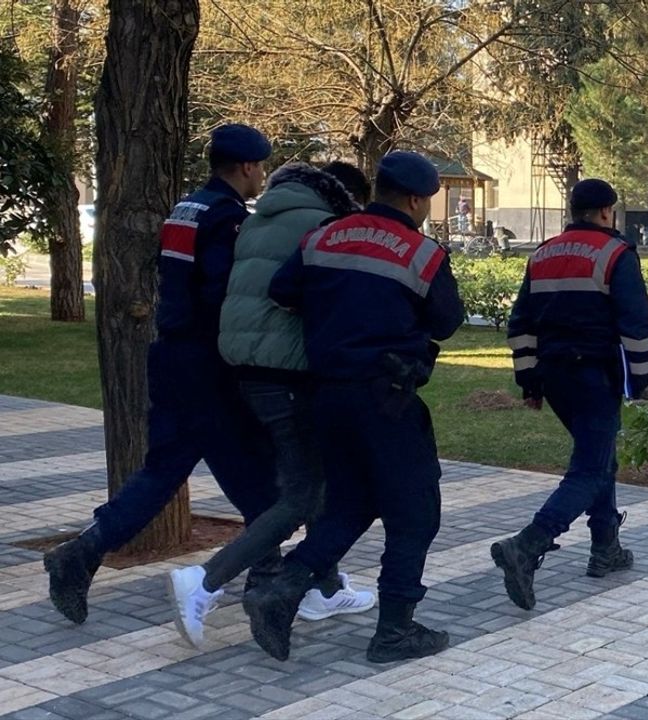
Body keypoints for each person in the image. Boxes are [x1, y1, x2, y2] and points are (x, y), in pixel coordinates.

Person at [43, 124, 281, 625]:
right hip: (207, 365)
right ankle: (270, 584)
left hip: (171, 356)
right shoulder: (227, 218)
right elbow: (222, 297)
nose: (261, 176)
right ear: (245, 167)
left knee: (164, 473)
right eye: (261, 167)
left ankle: (82, 552)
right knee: (257, 479)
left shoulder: (186, 208)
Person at [243, 150, 465, 664]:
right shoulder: (421, 253)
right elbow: (447, 320)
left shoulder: (324, 236)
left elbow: (282, 291)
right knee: (415, 515)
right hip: (385, 398)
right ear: (415, 199)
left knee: (351, 504)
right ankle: (394, 632)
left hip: (327, 397)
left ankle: (281, 592)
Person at [165, 161, 376, 650]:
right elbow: (314, 298)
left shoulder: (260, 216)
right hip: (288, 372)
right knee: (302, 495)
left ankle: (322, 588)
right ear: (347, 198)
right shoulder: (323, 227)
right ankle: (203, 580)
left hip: (246, 368)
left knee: (317, 482)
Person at [492, 178, 648, 611]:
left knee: (600, 456)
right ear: (607, 211)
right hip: (594, 376)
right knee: (589, 467)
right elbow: (636, 325)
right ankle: (528, 545)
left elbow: (521, 323)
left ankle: (606, 547)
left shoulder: (543, 253)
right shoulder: (616, 253)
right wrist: (642, 382)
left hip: (554, 376)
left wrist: (529, 380)